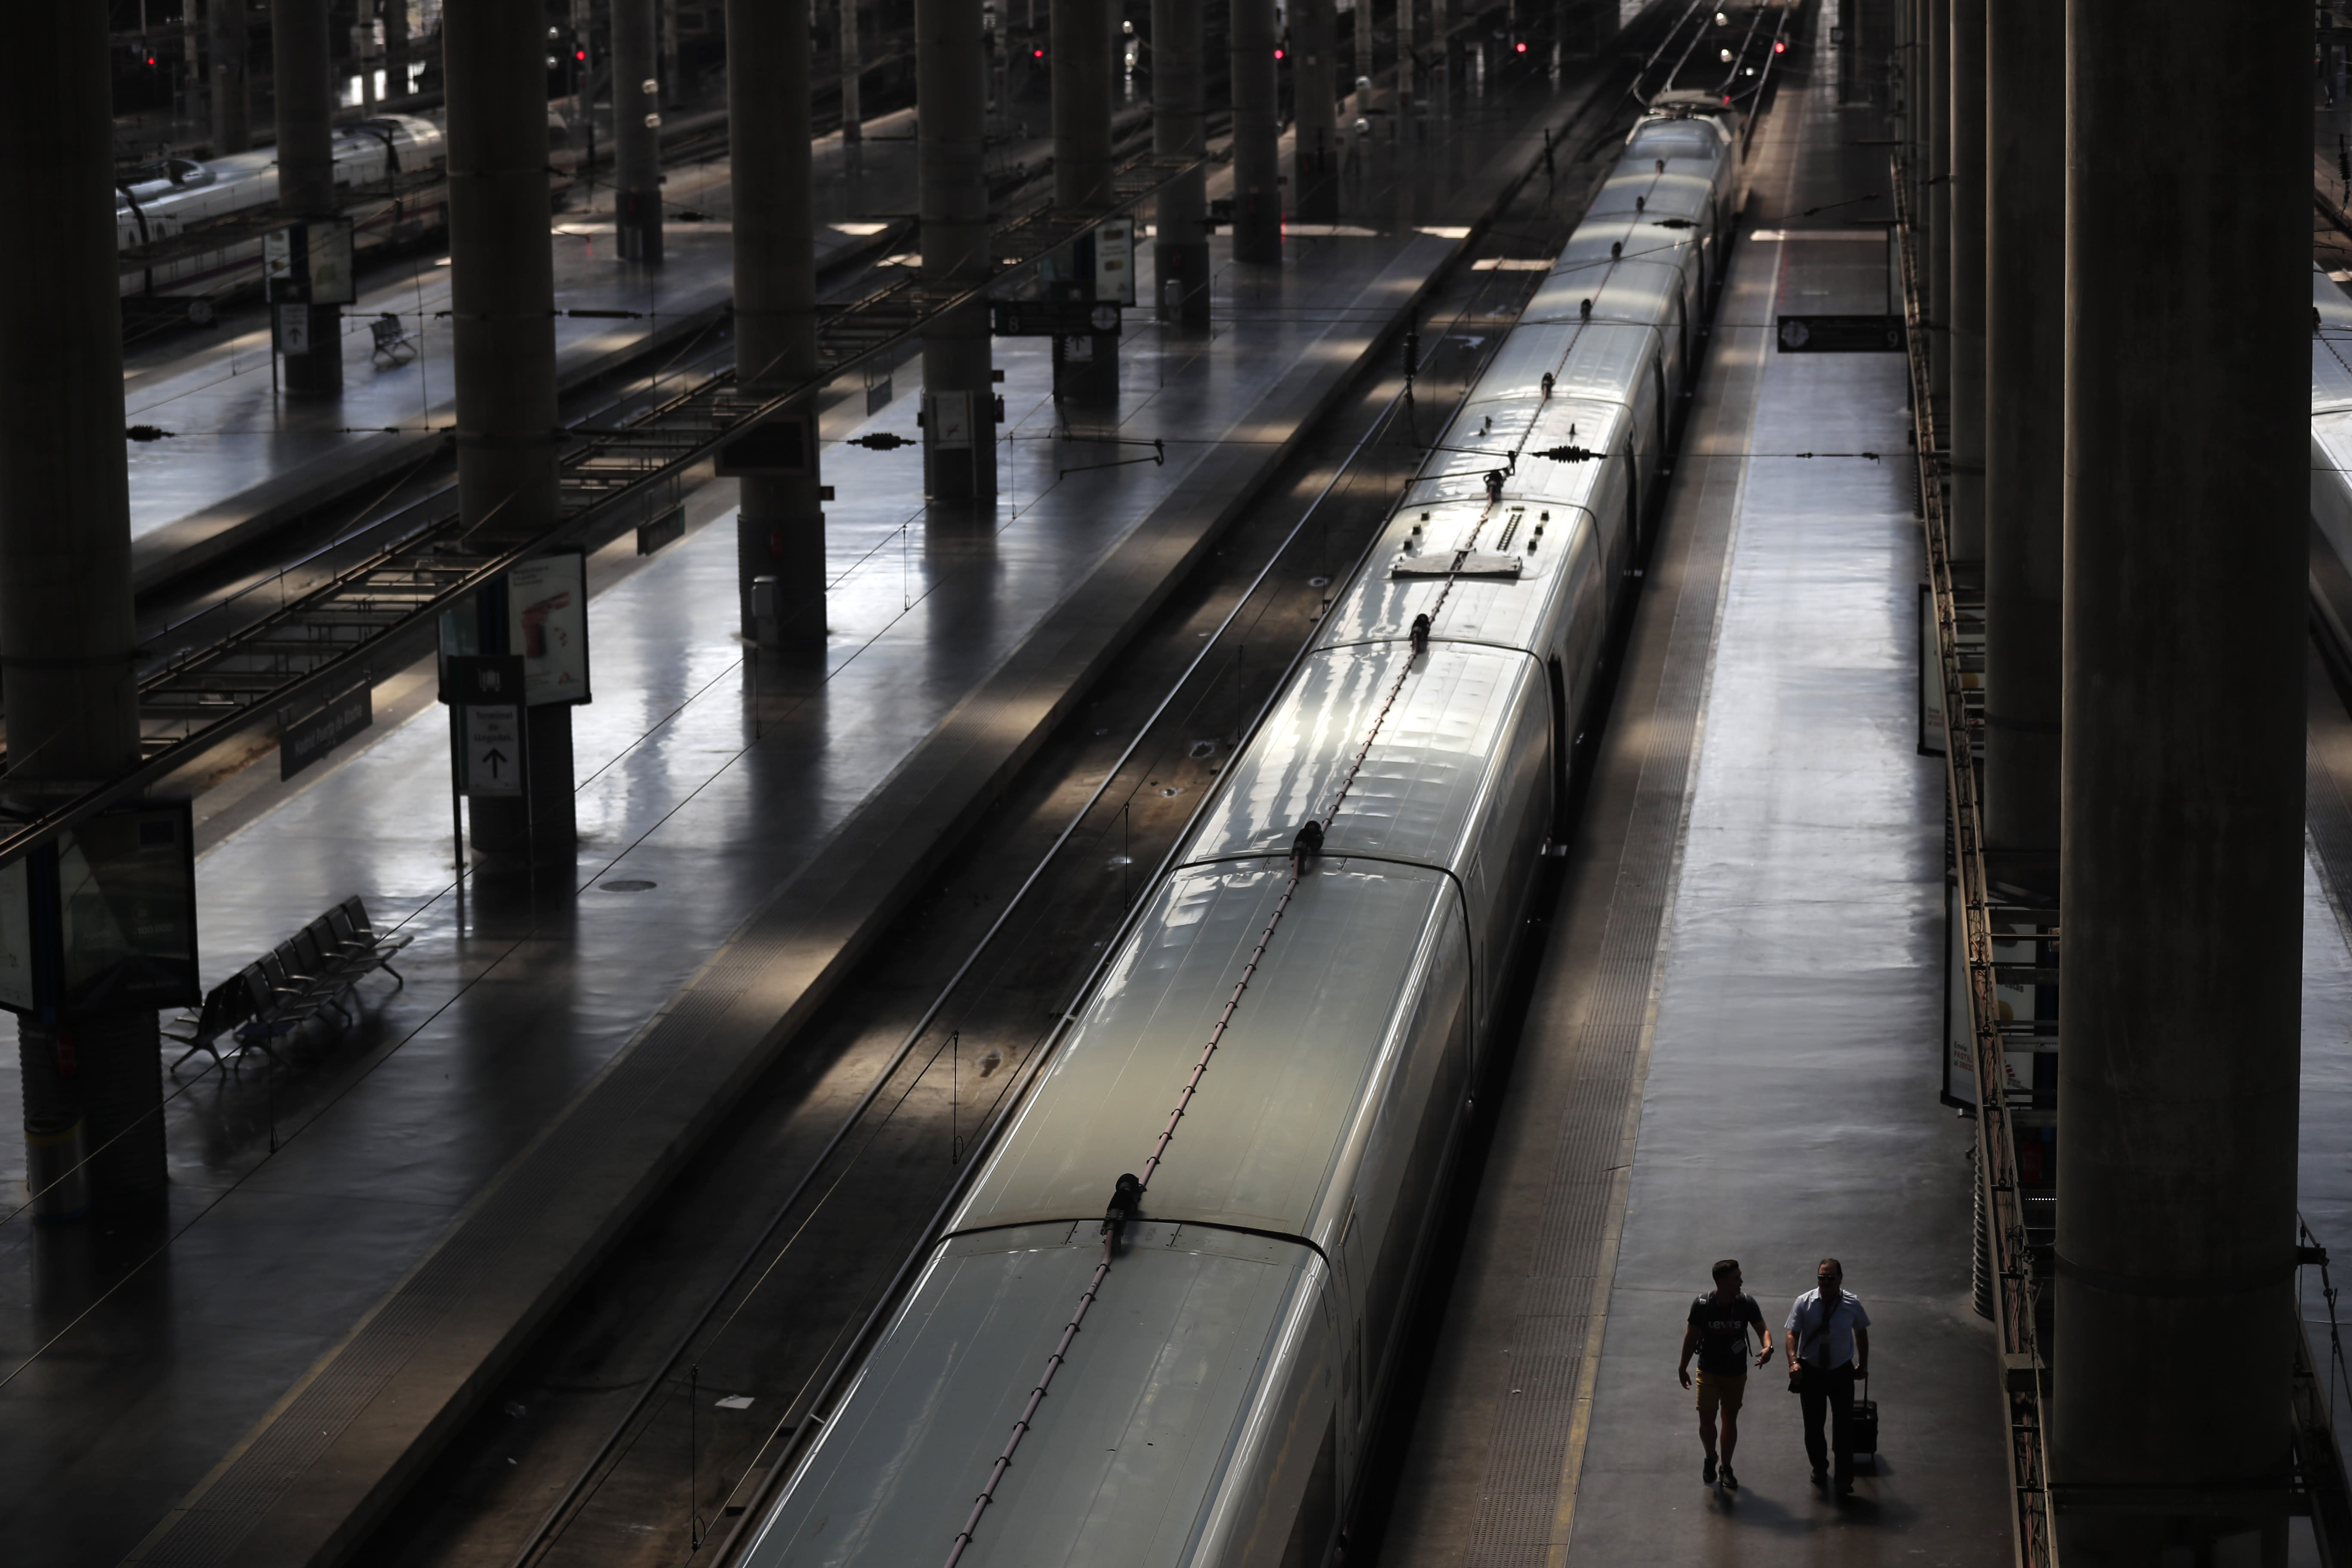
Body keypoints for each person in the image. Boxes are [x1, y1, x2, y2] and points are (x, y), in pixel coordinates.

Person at [1678, 1259, 1773, 1489]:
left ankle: (1726, 1467)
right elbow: (1691, 1338)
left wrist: (1768, 1347)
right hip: (1708, 1370)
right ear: (1722, 1282)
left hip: (1735, 1372)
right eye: (1736, 1278)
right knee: (1707, 1418)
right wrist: (1683, 1367)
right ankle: (1711, 1457)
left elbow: (1763, 1329)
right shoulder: (1702, 1304)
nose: (1741, 1281)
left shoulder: (1746, 1303)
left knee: (1729, 1419)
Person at [1784, 1258, 1871, 1497]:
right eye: (1822, 1277)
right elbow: (1792, 1334)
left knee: (1844, 1427)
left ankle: (1844, 1478)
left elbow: (1861, 1334)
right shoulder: (1804, 1302)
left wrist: (1862, 1365)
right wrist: (1793, 1363)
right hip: (1811, 1371)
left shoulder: (1852, 1304)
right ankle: (1819, 1467)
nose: (1826, 1282)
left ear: (1841, 1279)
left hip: (1841, 1371)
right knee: (1813, 1425)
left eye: (1831, 1278)